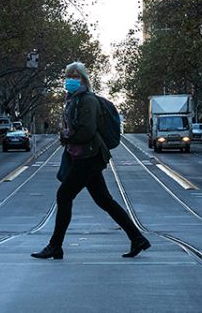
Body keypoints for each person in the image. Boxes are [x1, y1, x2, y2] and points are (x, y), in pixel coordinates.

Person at [31, 61, 150, 260]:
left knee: (64, 195)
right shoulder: (73, 100)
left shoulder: (87, 101)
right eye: (69, 76)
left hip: (89, 156)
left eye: (76, 76)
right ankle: (137, 238)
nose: (71, 80)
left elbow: (87, 131)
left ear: (84, 79)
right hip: (83, 155)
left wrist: (66, 137)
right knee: (104, 200)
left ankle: (55, 246)